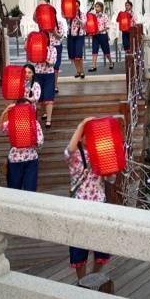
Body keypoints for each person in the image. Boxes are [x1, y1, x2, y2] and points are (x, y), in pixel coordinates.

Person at [65, 117, 114, 280]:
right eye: (86, 135)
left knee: (101, 245)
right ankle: (81, 280)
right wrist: (81, 124)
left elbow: (111, 179)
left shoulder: (101, 151)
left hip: (99, 203)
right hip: (80, 206)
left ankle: (93, 277)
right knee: (79, 247)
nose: (89, 138)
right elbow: (68, 151)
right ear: (81, 136)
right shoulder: (76, 155)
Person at [0, 99, 44, 192]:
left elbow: (40, 142)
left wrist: (31, 140)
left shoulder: (35, 123)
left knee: (30, 189)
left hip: (31, 159)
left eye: (28, 107)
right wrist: (5, 112)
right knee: (14, 190)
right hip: (15, 160)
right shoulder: (11, 123)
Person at [34, 40, 58, 128]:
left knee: (48, 96)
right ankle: (43, 114)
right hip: (37, 74)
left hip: (49, 74)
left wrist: (44, 58)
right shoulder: (36, 47)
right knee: (39, 96)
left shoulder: (53, 49)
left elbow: (52, 63)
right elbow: (32, 59)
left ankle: (49, 120)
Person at [89, 2, 113, 72]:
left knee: (106, 52)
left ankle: (111, 62)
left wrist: (100, 31)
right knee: (94, 50)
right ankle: (94, 66)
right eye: (95, 7)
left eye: (98, 7)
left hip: (103, 35)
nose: (96, 8)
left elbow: (107, 26)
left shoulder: (105, 16)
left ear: (101, 8)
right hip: (95, 35)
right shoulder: (93, 16)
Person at [67, 0, 86, 79]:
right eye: (74, 6)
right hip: (71, 35)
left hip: (80, 35)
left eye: (77, 5)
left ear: (79, 6)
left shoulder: (82, 14)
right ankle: (78, 71)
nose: (76, 7)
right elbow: (66, 20)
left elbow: (84, 24)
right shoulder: (69, 13)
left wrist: (77, 18)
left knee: (79, 54)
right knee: (73, 54)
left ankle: (82, 71)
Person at [51, 21, 67, 95]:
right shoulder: (43, 22)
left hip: (57, 46)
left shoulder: (59, 23)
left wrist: (53, 31)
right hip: (46, 46)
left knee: (56, 66)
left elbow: (60, 36)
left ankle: (55, 85)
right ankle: (49, 85)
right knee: (47, 66)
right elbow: (35, 18)